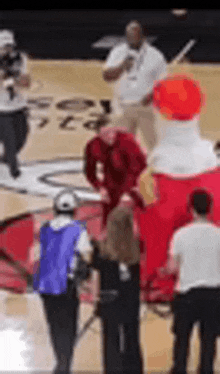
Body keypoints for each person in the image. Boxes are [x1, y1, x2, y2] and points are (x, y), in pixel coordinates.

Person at [33, 189, 93, 374]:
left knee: (54, 326)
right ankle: (64, 366)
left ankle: (60, 362)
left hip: (44, 285)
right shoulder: (78, 229)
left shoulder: (45, 228)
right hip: (65, 286)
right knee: (69, 328)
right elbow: (88, 256)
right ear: (74, 210)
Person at [163, 189, 220, 374]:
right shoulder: (218, 234)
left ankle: (179, 369)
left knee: (181, 340)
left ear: (191, 209)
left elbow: (172, 268)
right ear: (210, 209)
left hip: (187, 295)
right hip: (214, 295)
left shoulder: (181, 235)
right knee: (209, 341)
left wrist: (163, 271)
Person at [90, 206, 143, 374]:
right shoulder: (136, 247)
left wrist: (95, 300)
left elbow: (96, 277)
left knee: (110, 341)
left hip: (109, 300)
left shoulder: (101, 250)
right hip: (131, 300)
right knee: (132, 338)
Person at [102, 20, 167, 152]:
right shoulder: (118, 52)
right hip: (122, 106)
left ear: (142, 36)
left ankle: (156, 170)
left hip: (146, 107)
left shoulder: (155, 55)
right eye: (129, 36)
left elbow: (164, 83)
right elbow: (107, 76)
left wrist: (151, 96)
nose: (131, 39)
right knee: (122, 147)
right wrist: (121, 67)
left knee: (154, 146)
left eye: (134, 36)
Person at [84, 124, 147, 227]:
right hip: (111, 177)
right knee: (108, 212)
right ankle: (107, 233)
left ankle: (146, 229)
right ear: (98, 134)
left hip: (133, 176)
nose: (110, 136)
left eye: (112, 132)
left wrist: (128, 189)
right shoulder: (93, 145)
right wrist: (99, 187)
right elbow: (89, 171)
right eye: (105, 134)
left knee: (141, 206)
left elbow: (136, 168)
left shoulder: (128, 141)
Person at [0, 29, 30, 178]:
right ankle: (15, 173)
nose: (7, 50)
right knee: (10, 141)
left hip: (19, 106)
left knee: (22, 137)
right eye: (4, 47)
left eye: (9, 46)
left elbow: (26, 82)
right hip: (2, 109)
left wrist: (11, 79)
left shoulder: (21, 58)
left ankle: (5, 158)